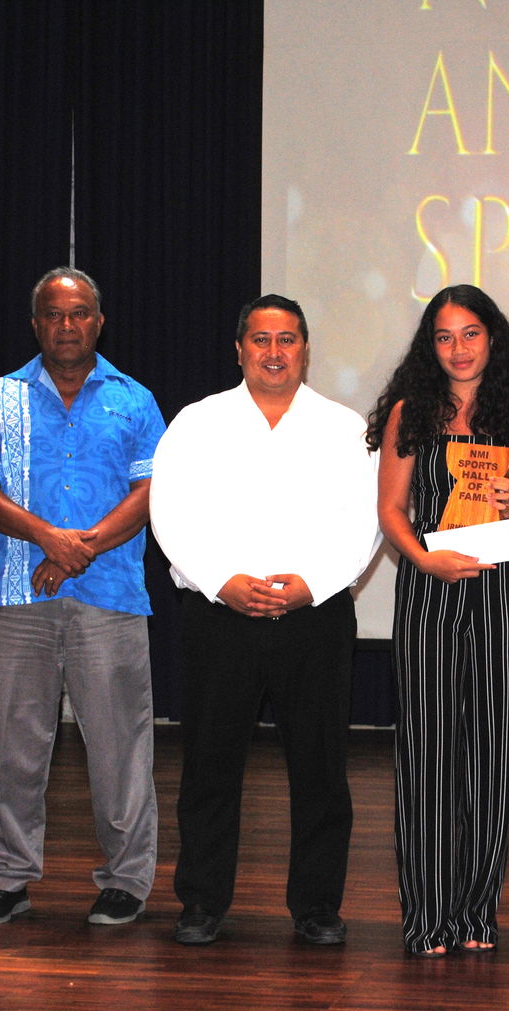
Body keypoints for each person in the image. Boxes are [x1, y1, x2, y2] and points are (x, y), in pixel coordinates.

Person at [150, 294, 379, 947]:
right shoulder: (198, 422)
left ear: (305, 349)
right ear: (240, 349)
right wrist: (223, 582)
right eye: (260, 339)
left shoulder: (344, 428)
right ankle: (201, 899)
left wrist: (313, 584)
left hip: (315, 616)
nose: (274, 352)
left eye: (287, 340)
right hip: (221, 616)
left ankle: (316, 905)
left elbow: (364, 523)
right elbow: (170, 513)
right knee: (210, 766)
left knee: (321, 770)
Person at [0, 267, 165, 927]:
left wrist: (83, 546)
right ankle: (7, 877)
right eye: (52, 314)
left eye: (78, 314)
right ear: (36, 322)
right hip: (17, 597)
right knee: (10, 746)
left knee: (119, 745)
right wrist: (48, 536)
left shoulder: (135, 400)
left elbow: (152, 490)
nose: (66, 326)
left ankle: (126, 880)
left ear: (99, 322)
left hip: (112, 597)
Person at [366, 285, 509, 957]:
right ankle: (427, 916)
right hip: (430, 585)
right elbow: (390, 508)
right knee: (428, 749)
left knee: (493, 754)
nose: (459, 348)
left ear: (492, 338)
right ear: (429, 345)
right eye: (444, 336)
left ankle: (477, 914)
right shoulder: (412, 412)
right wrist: (422, 561)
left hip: (503, 590)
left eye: (471, 333)